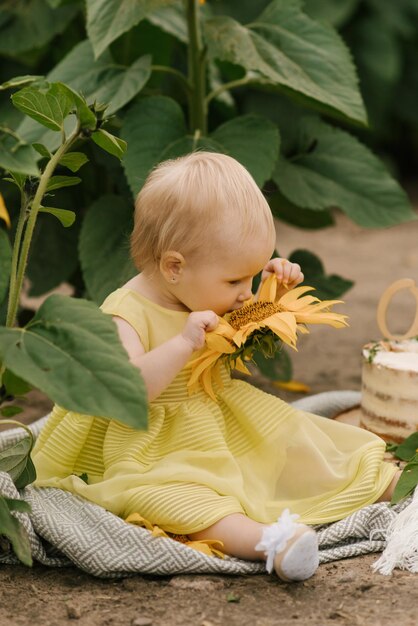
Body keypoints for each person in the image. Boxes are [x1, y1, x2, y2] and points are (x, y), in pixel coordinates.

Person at [32, 151, 400, 582]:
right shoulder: (124, 314)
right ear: (174, 267)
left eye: (251, 275)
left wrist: (272, 290)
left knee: (306, 445)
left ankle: (395, 484)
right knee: (184, 500)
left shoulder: (201, 288)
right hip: (149, 446)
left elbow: (244, 322)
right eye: (235, 281)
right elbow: (128, 390)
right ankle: (271, 541)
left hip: (214, 423)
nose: (243, 294)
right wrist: (183, 343)